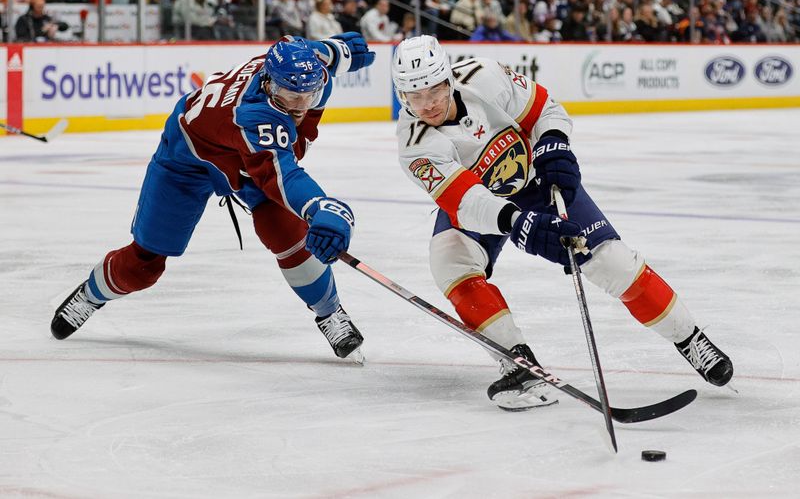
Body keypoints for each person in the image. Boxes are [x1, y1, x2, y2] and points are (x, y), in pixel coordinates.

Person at [390, 35, 733, 410]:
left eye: (435, 89)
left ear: (448, 80)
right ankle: (517, 361)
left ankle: (689, 338)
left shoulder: (485, 76)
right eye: (414, 96)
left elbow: (545, 111)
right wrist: (521, 224)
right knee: (449, 261)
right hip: (484, 202)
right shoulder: (414, 144)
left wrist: (554, 143)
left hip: (536, 183)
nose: (427, 104)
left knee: (612, 262)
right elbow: (467, 202)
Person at [50, 33, 376, 363]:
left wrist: (337, 51)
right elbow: (284, 176)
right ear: (267, 82)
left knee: (285, 230)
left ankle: (330, 312)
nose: (299, 106)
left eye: (309, 95)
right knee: (143, 264)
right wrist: (320, 206)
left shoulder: (309, 69)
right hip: (186, 160)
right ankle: (91, 295)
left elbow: (315, 49)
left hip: (245, 156)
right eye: (288, 95)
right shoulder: (256, 115)